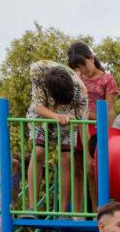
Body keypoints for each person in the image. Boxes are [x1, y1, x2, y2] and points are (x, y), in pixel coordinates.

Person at [25, 60, 88, 215]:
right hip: (42, 114)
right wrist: (55, 116)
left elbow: (82, 124)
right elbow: (38, 106)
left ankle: (63, 212)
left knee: (67, 158)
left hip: (68, 117)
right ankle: (32, 208)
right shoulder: (38, 71)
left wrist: (88, 156)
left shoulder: (81, 91)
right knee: (38, 152)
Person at [65, 42, 117, 209]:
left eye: (84, 65)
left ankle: (97, 210)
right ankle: (77, 213)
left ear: (91, 58)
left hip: (96, 128)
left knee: (92, 169)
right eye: (78, 67)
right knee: (76, 168)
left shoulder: (107, 79)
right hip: (78, 126)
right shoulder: (77, 78)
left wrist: (107, 133)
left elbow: (109, 110)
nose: (83, 70)